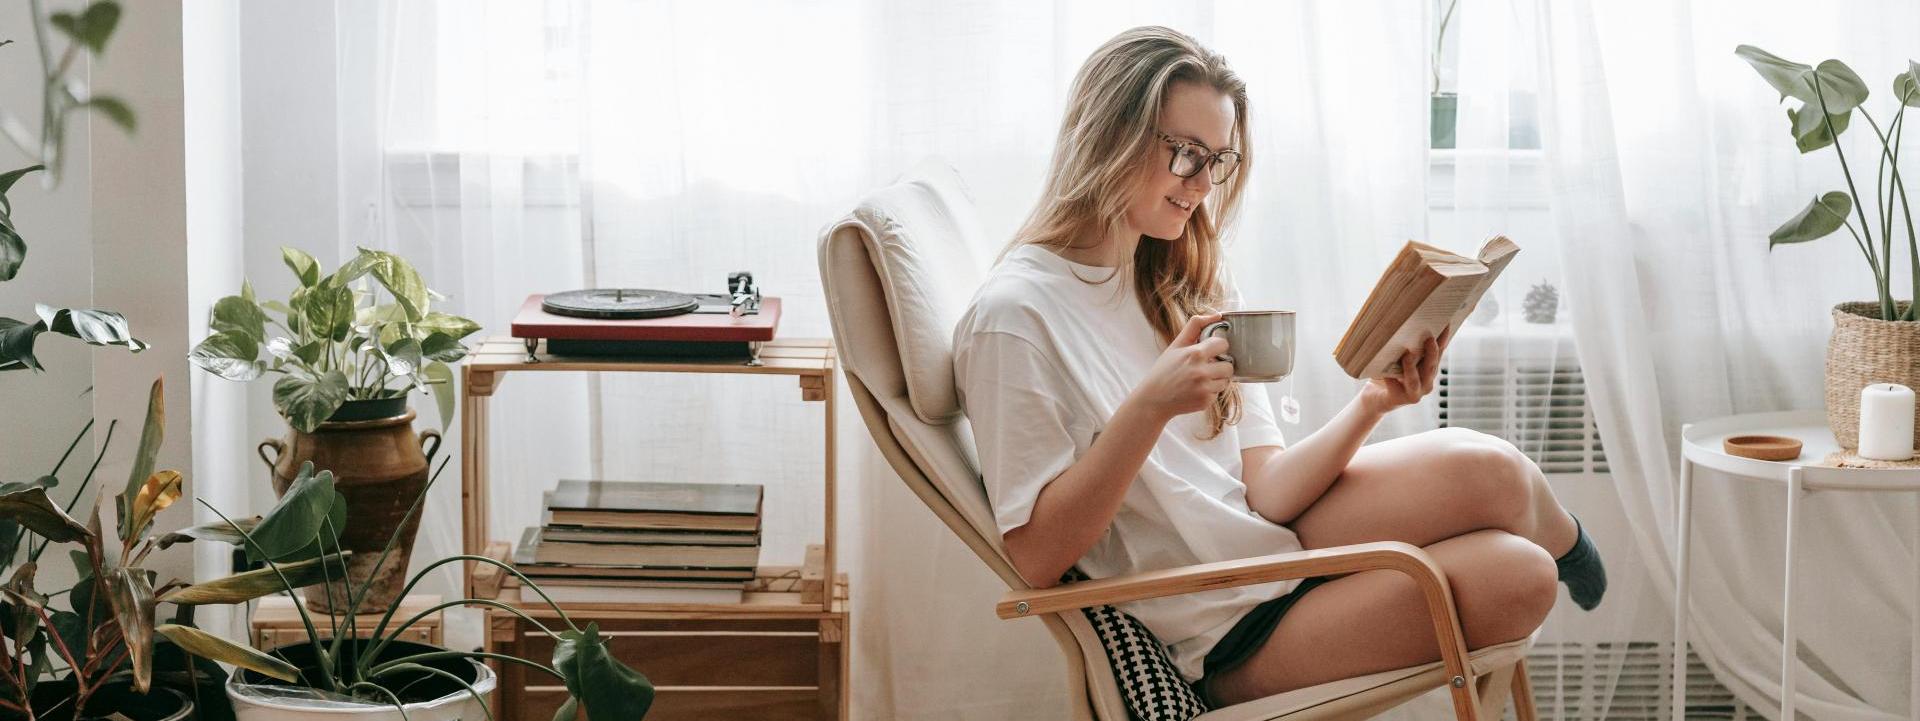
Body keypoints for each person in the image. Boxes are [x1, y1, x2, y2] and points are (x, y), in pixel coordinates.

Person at [950, 26, 1607, 708]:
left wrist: (1372, 403)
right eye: (1186, 154)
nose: (1204, 184)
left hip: (1271, 544)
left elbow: (1263, 486)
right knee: (1520, 577)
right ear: (1109, 135)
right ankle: (1555, 552)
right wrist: (1148, 408)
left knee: (1494, 470)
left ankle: (1572, 545)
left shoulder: (1175, 273)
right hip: (1224, 629)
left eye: (1220, 160)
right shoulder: (1015, 316)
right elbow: (1033, 557)